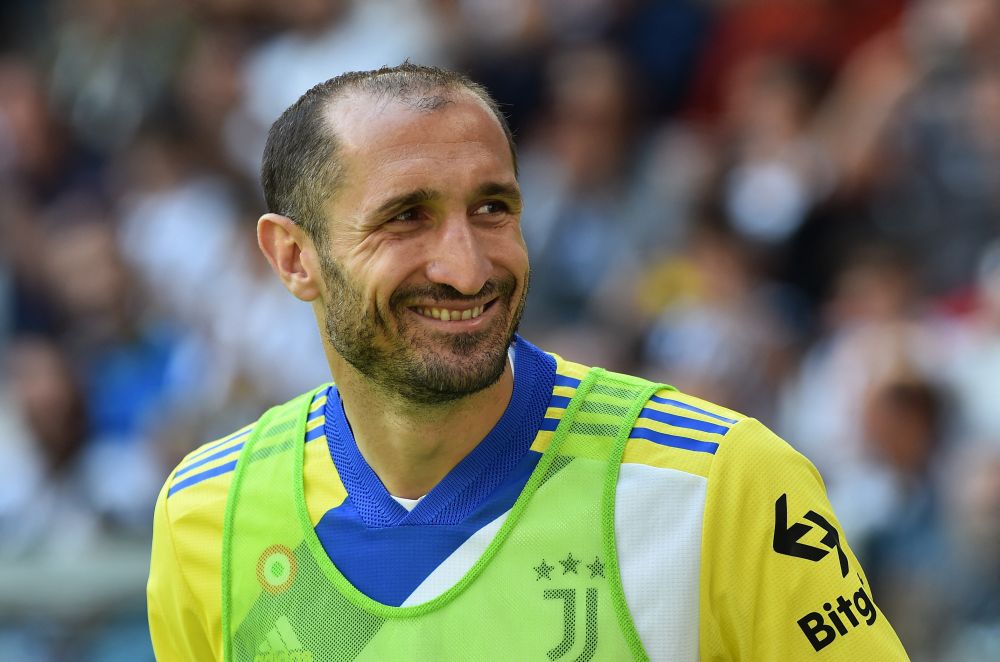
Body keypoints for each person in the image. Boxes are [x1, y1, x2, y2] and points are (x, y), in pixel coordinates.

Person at [147, 63, 908, 661]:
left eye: (492, 209)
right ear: (293, 258)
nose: (466, 268)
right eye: (406, 218)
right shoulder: (209, 514)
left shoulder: (724, 484)